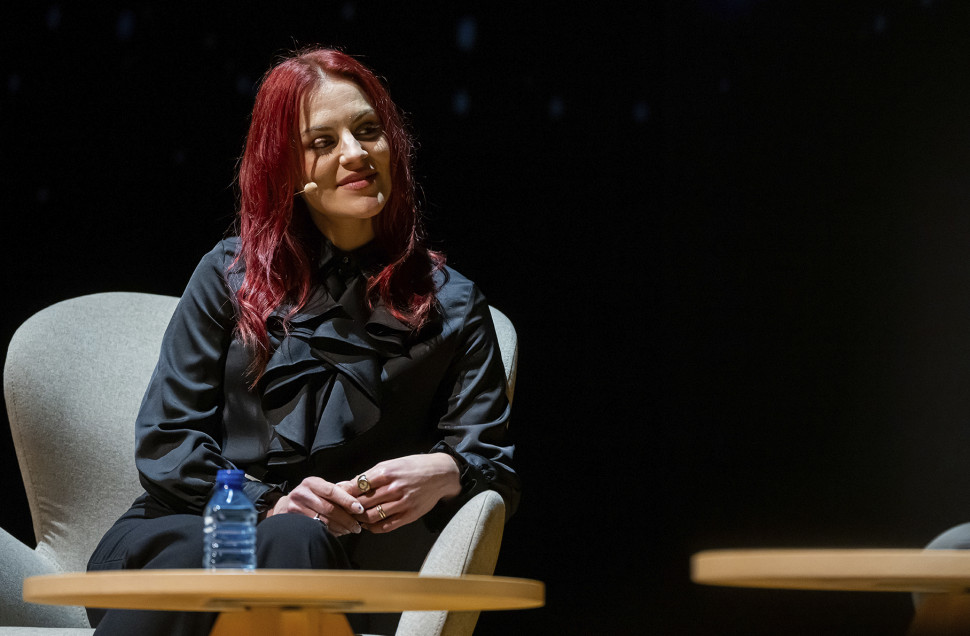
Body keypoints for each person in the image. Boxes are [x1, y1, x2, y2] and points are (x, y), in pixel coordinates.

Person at [85, 47, 519, 635]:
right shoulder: (228, 276)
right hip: (185, 533)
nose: (356, 153)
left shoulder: (454, 306)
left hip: (329, 566)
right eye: (323, 141)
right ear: (287, 169)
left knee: (295, 540)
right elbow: (167, 440)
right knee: (251, 544)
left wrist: (446, 471)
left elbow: (491, 463)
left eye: (369, 131)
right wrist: (268, 502)